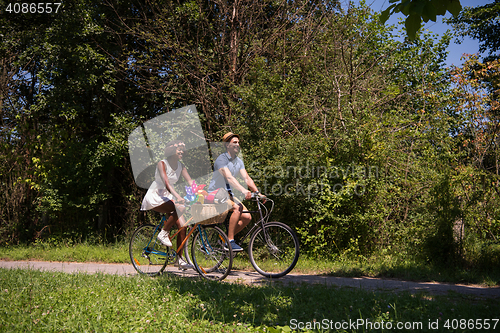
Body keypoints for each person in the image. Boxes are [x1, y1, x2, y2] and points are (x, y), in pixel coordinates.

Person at [141, 140, 193, 270]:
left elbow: (191, 181)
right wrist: (178, 197)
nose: (181, 151)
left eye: (182, 149)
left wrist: (202, 193)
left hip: (169, 197)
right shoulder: (162, 163)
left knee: (183, 226)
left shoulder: (181, 166)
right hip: (156, 196)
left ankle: (179, 260)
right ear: (171, 151)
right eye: (179, 149)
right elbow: (167, 183)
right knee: (180, 207)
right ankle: (163, 233)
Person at [208, 132, 262, 251]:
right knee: (237, 209)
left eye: (238, 142)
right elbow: (229, 178)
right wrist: (243, 190)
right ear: (227, 145)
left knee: (247, 217)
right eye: (235, 142)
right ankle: (230, 242)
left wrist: (257, 192)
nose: (238, 144)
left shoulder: (238, 161)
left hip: (227, 195)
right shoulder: (221, 160)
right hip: (215, 193)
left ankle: (224, 239)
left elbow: (246, 178)